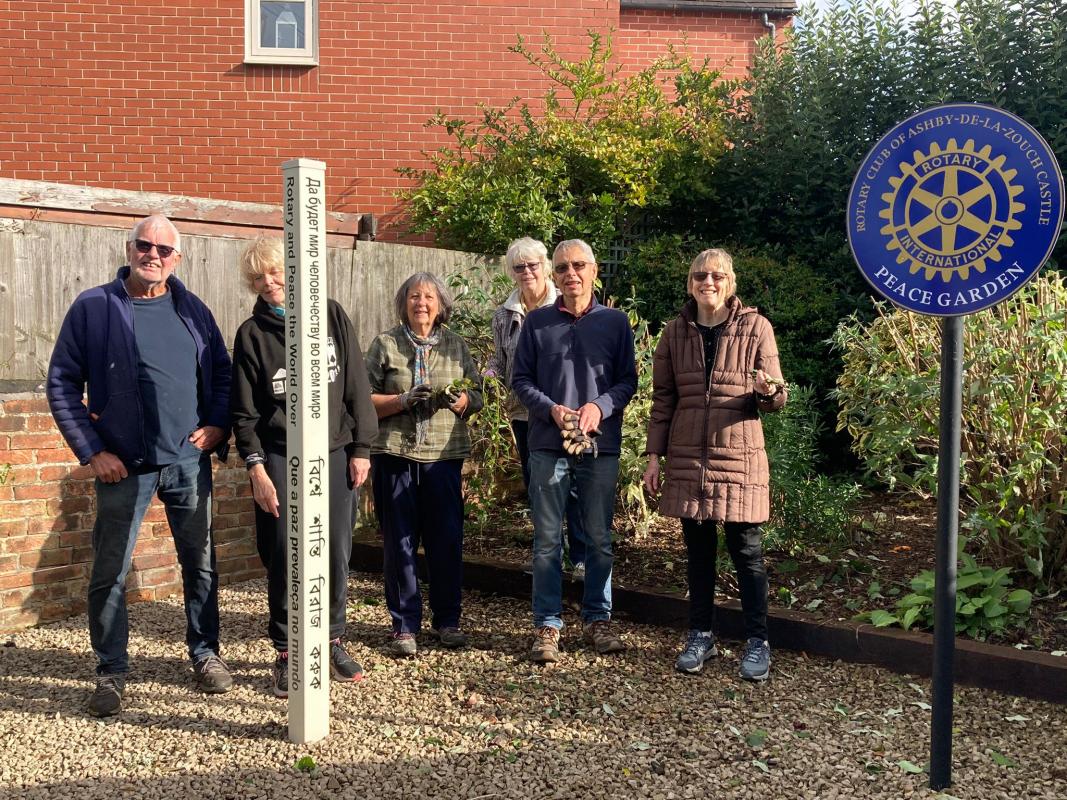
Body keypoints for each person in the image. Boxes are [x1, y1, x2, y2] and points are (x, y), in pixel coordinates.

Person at [46, 214, 233, 718]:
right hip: (124, 467)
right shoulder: (95, 307)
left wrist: (217, 425)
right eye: (144, 246)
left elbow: (221, 373)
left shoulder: (193, 309)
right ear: (130, 249)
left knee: (200, 564)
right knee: (110, 569)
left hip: (188, 462)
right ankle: (111, 671)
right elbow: (62, 384)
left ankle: (205, 653)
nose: (153, 255)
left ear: (178, 259)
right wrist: (92, 451)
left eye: (163, 250)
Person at [229, 236, 378, 697]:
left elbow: (355, 381)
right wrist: (256, 468)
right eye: (259, 278)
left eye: (275, 273)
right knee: (282, 551)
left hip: (333, 451)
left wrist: (362, 449)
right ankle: (287, 650)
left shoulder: (330, 314)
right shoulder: (251, 336)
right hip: (278, 454)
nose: (270, 283)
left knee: (334, 547)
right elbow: (244, 413)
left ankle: (330, 639)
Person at [642, 248, 787, 681]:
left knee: (748, 553)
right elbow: (663, 400)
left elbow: (778, 397)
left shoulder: (757, 327)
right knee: (698, 555)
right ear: (690, 283)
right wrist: (654, 458)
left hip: (740, 456)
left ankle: (758, 641)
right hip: (688, 458)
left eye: (717, 276)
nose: (709, 282)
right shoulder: (674, 333)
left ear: (731, 282)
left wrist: (766, 390)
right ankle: (700, 634)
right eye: (700, 276)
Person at [512, 239, 637, 664]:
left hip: (600, 447)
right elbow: (521, 381)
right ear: (555, 273)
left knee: (599, 538)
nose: (571, 274)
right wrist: (551, 409)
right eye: (563, 267)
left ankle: (597, 618)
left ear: (595, 271)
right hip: (548, 446)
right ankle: (547, 623)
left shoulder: (615, 323)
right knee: (547, 540)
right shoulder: (537, 323)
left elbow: (627, 382)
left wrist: (598, 407)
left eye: (579, 265)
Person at [365, 272, 484, 658]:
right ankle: (404, 625)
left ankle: (448, 621)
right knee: (399, 543)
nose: (422, 303)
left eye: (429, 297)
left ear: (440, 305)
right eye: (414, 297)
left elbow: (478, 393)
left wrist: (462, 401)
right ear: (403, 303)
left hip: (443, 459)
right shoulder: (385, 344)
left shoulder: (455, 345)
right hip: (396, 454)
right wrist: (401, 401)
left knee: (445, 542)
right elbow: (363, 399)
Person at [488, 237, 586, 577]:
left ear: (545, 267)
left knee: (573, 483)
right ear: (512, 272)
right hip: (523, 410)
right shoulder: (504, 314)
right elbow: (499, 360)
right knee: (538, 484)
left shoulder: (565, 304)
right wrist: (487, 375)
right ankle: (549, 557)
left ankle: (581, 557)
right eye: (519, 267)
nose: (527, 271)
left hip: (565, 409)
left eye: (532, 265)